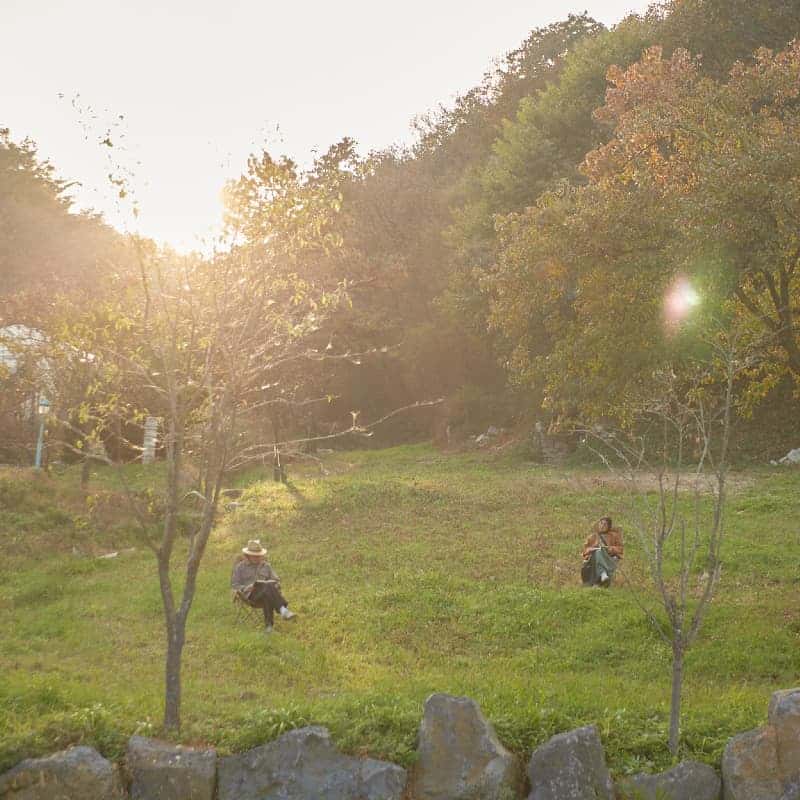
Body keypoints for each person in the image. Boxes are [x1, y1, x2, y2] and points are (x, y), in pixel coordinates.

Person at [231, 539, 296, 633]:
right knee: (267, 588)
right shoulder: (240, 568)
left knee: (267, 589)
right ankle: (282, 609)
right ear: (248, 555)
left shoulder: (266, 566)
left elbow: (276, 581)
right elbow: (234, 585)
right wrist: (246, 587)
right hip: (250, 596)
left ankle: (269, 628)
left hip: (266, 594)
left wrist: (275, 585)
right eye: (255, 556)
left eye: (259, 556)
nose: (258, 558)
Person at [581, 516, 623, 587]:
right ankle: (602, 574)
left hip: (609, 558)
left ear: (608, 526)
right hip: (594, 559)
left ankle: (602, 575)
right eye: (601, 523)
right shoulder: (593, 537)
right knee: (598, 552)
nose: (602, 526)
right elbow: (584, 551)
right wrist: (591, 549)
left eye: (605, 524)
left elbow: (620, 549)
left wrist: (611, 549)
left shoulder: (614, 536)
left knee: (600, 551)